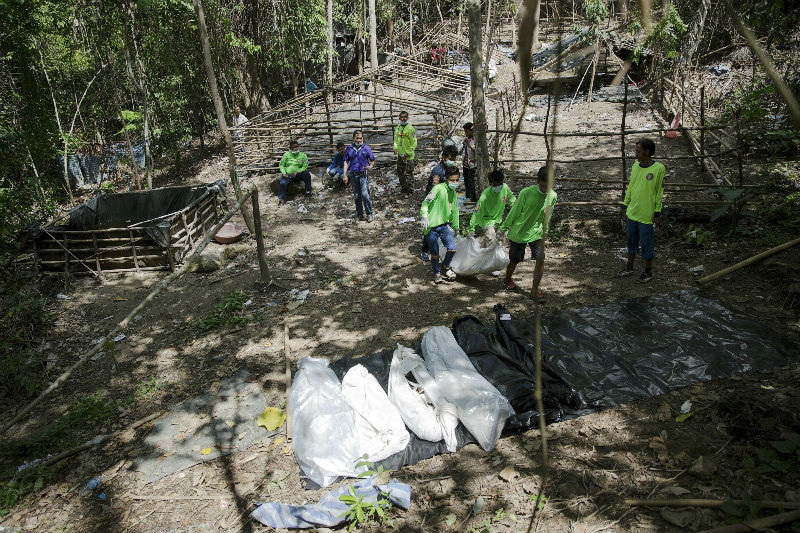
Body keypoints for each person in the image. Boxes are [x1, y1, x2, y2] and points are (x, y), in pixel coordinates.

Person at [499, 166, 557, 301]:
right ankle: (507, 279)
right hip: (519, 231)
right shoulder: (526, 193)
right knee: (515, 259)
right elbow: (514, 211)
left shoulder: (552, 196)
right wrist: (503, 229)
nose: (545, 189)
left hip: (537, 232)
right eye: (543, 186)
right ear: (538, 181)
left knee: (540, 259)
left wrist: (545, 232)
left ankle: (535, 289)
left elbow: (547, 216)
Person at [616, 138, 665, 283]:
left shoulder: (658, 169)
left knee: (646, 244)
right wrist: (624, 205)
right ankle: (629, 267)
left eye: (638, 151)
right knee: (631, 241)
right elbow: (631, 186)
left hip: (646, 215)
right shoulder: (636, 166)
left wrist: (657, 213)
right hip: (632, 212)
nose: (635, 153)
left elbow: (659, 193)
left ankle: (648, 271)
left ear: (647, 152)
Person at [420, 166, 461, 284]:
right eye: (452, 180)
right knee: (434, 253)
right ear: (447, 179)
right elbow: (425, 203)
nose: (454, 183)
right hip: (431, 226)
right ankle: (437, 273)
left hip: (443, 226)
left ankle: (445, 266)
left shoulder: (453, 193)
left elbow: (455, 211)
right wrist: (424, 215)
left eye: (456, 180)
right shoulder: (437, 189)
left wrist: (456, 227)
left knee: (452, 248)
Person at [420, 145, 459, 261]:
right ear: (444, 157)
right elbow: (433, 191)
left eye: (454, 159)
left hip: (443, 202)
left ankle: (439, 249)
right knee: (431, 227)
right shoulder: (437, 172)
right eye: (450, 158)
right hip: (434, 202)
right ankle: (424, 250)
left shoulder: (447, 169)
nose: (452, 161)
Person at [469, 169, 516, 245]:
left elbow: (512, 198)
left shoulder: (505, 188)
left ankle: (478, 248)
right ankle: (490, 256)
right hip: (487, 221)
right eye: (495, 185)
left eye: (500, 184)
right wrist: (471, 227)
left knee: (498, 241)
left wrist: (517, 206)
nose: (498, 187)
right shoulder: (485, 195)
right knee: (491, 238)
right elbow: (476, 211)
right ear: (490, 183)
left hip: (498, 220)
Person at [343, 130, 376, 222]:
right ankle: (360, 214)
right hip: (353, 176)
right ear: (353, 138)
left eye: (360, 138)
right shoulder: (349, 149)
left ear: (363, 138)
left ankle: (369, 214)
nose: (359, 140)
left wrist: (370, 166)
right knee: (357, 196)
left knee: (365, 195)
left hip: (363, 175)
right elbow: (345, 162)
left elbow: (372, 160)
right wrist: (345, 175)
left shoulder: (366, 148)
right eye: (357, 138)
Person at [277, 140, 312, 205]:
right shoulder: (286, 155)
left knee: (307, 174)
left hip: (298, 174)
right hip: (288, 175)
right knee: (283, 183)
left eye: (296, 147)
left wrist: (297, 171)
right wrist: (284, 173)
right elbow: (281, 164)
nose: (295, 148)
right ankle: (281, 198)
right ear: (290, 148)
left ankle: (308, 191)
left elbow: (305, 166)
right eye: (293, 147)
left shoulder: (303, 155)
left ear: (298, 147)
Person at [394, 110, 417, 194]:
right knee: (400, 171)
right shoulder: (398, 128)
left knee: (409, 173)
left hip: (408, 156)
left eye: (405, 117)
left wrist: (408, 153)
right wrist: (395, 148)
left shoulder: (410, 129)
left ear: (407, 118)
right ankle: (403, 188)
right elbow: (396, 139)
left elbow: (414, 142)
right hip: (401, 155)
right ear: (399, 118)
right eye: (401, 117)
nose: (403, 119)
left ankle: (410, 190)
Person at [459, 122, 478, 202]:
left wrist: (468, 144)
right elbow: (463, 150)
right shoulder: (466, 140)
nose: (466, 133)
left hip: (472, 165)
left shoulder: (474, 140)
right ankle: (468, 196)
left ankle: (473, 199)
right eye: (465, 132)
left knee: (471, 182)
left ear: (472, 131)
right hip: (465, 164)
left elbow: (475, 151)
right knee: (466, 181)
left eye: (467, 131)